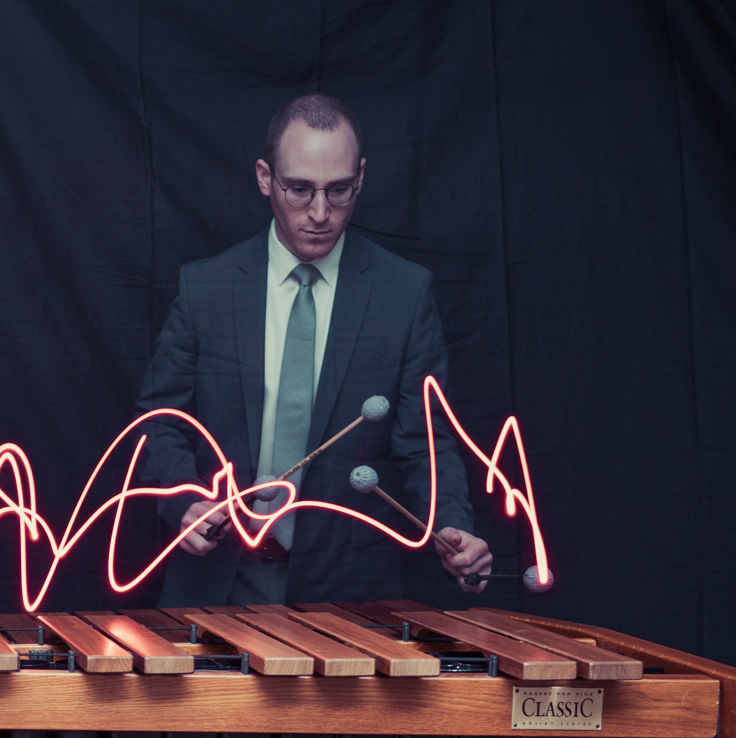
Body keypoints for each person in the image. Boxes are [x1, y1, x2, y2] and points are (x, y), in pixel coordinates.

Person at [136, 93, 491, 605]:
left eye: (339, 190)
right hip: (218, 577)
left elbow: (425, 444)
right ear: (265, 178)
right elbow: (160, 419)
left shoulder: (403, 294)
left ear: (361, 178)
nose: (320, 213)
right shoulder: (207, 289)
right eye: (299, 190)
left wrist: (455, 527)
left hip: (350, 587)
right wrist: (184, 500)